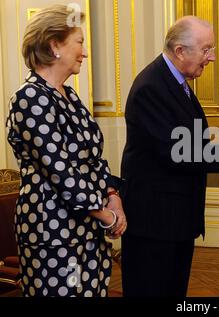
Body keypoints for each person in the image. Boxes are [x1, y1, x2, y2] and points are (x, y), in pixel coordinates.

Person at [5, 5, 127, 297]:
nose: (84, 52)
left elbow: (94, 158)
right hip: (53, 231)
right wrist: (105, 215)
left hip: (88, 228)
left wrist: (113, 197)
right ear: (54, 45)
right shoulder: (29, 97)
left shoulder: (69, 96)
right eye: (80, 42)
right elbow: (59, 170)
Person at [120, 16, 219, 297]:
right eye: (206, 49)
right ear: (180, 51)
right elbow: (175, 151)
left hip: (175, 220)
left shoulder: (176, 84)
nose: (210, 58)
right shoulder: (152, 86)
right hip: (155, 223)